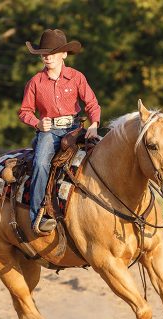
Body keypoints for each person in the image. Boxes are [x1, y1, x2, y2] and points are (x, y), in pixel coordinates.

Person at [19, 29, 101, 234]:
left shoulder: (76, 77)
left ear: (64, 54)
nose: (47, 57)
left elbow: (91, 104)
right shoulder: (35, 82)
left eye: (53, 52)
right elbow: (24, 111)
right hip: (50, 131)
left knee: (104, 154)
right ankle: (38, 215)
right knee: (40, 163)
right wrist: (37, 124)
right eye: (44, 53)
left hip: (76, 128)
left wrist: (94, 124)